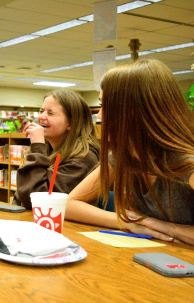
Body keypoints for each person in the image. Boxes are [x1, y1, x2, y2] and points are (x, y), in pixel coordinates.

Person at [65, 59, 194, 245]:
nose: (99, 117)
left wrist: (170, 228)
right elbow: (69, 205)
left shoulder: (186, 164)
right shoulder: (124, 156)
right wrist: (134, 221)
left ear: (135, 111)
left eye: (105, 106)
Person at [13, 89, 100, 209]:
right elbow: (20, 196)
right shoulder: (48, 149)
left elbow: (37, 201)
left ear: (71, 123)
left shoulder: (83, 157)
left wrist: (38, 148)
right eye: (41, 111)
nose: (42, 117)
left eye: (50, 113)